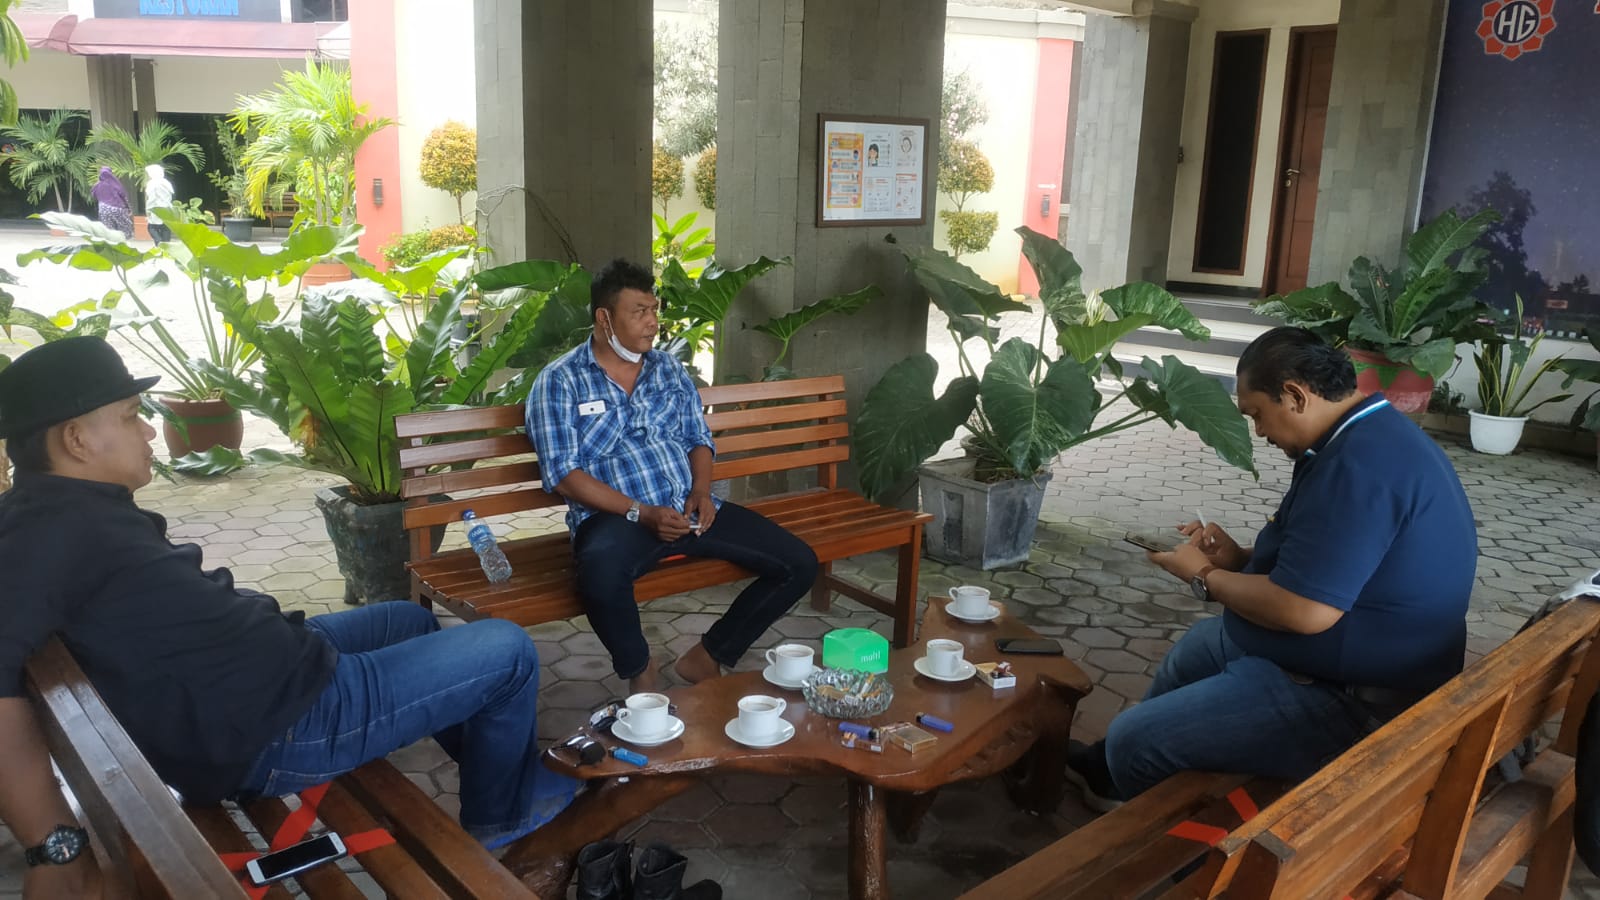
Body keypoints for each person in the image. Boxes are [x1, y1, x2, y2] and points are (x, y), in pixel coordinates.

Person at [0, 338, 578, 898]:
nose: (150, 431)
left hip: (265, 678)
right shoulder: (50, 536)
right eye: (131, 417)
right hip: (281, 726)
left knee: (406, 620)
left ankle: (497, 775)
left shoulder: (63, 507)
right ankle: (501, 816)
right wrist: (54, 847)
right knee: (507, 650)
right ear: (76, 438)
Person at [1064, 326, 1477, 811]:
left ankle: (1166, 833)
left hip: (1359, 701)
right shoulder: (1361, 435)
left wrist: (1204, 576)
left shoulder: (1359, 467)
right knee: (1199, 647)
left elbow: (1305, 611)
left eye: (1258, 414)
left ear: (1296, 396)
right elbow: (1326, 560)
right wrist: (1237, 560)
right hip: (1347, 657)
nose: (1258, 432)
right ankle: (1111, 774)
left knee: (1136, 740)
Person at [526, 258, 818, 693]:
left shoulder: (667, 368)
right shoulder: (560, 381)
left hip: (688, 508)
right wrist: (642, 513)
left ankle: (709, 654)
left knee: (799, 564)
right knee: (599, 575)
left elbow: (698, 437)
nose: (653, 323)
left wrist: (701, 491)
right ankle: (639, 666)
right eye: (639, 312)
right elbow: (564, 473)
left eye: (654, 310)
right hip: (618, 518)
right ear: (604, 318)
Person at [90, 167, 132, 238]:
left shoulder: (97, 185)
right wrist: (128, 209)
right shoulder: (115, 183)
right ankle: (123, 242)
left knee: (109, 232)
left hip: (103, 210)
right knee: (125, 231)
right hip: (117, 209)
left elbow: (93, 195)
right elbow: (123, 196)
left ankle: (113, 243)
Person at [142, 163, 174, 243]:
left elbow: (151, 199)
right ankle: (166, 244)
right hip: (167, 208)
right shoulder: (166, 182)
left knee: (151, 227)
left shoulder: (152, 183)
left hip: (156, 208)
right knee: (165, 227)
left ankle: (159, 243)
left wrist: (148, 210)